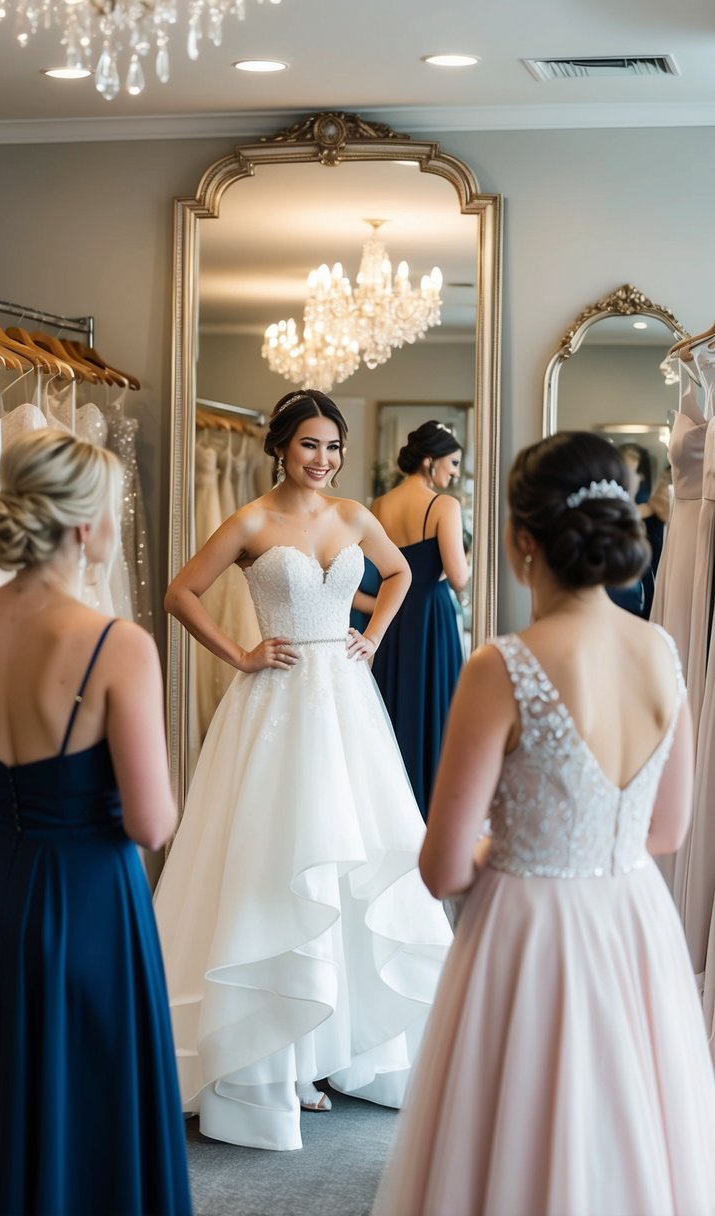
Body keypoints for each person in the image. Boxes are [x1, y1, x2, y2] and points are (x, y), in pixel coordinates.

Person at [372, 431, 715, 1216]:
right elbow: (666, 831)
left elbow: (441, 868)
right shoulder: (661, 653)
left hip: (528, 928)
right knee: (629, 1129)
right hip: (633, 920)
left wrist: (509, 845)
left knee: (516, 1133)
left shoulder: (503, 663)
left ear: (523, 541)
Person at [154, 389, 453, 1152]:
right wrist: (241, 654)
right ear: (281, 446)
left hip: (347, 705)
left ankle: (340, 1049)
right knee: (277, 862)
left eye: (333, 447)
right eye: (310, 445)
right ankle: (272, 1057)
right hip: (275, 703)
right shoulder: (251, 521)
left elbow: (402, 578)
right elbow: (179, 594)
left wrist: (374, 638)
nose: (323, 460)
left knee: (356, 861)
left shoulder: (354, 516)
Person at [0, 430, 192, 1216]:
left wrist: (10, 798)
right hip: (87, 898)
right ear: (80, 526)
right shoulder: (116, 645)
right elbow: (150, 822)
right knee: (84, 1095)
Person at [369, 421, 469, 819]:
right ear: (430, 461)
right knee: (438, 711)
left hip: (393, 616)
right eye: (454, 462)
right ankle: (434, 813)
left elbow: (379, 573)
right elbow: (459, 577)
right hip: (433, 616)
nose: (456, 472)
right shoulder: (444, 505)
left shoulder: (380, 505)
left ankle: (396, 814)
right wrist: (462, 566)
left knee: (396, 708)